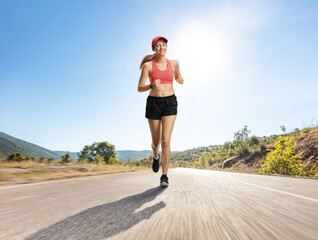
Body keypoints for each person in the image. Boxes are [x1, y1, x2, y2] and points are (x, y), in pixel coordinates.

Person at [137, 36, 184, 187]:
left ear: (166, 47)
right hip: (154, 104)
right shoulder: (148, 66)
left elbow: (177, 76)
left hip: (170, 102)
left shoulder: (174, 63)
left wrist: (179, 78)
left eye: (163, 45)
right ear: (153, 49)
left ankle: (164, 176)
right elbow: (139, 87)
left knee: (166, 140)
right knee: (156, 142)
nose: (161, 47)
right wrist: (151, 86)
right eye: (158, 45)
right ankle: (155, 155)